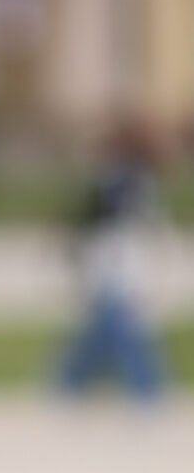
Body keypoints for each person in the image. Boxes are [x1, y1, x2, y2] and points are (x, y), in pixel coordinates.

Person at [51, 115, 173, 401]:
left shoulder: (128, 181)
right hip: (110, 261)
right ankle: (74, 383)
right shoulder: (121, 181)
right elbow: (93, 220)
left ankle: (75, 383)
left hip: (119, 262)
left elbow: (122, 221)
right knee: (111, 329)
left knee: (114, 328)